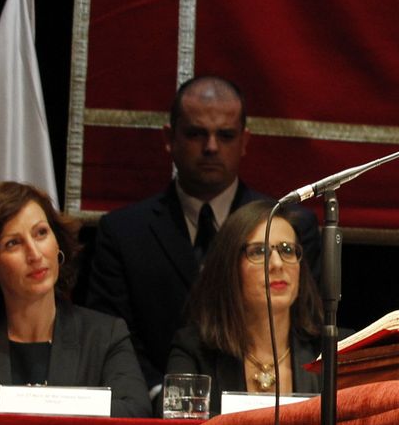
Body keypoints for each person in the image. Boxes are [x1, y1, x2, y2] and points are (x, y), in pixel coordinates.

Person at [83, 75, 320, 389]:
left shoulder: (289, 224)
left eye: (225, 135)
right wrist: (164, 397)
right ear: (170, 137)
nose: (211, 147)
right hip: (152, 407)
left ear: (245, 141)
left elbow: (309, 323)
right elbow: (110, 336)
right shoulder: (124, 232)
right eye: (196, 134)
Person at [0, 182, 149, 417]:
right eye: (13, 243)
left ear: (57, 243)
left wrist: (28, 404)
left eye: (41, 233)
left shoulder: (104, 335)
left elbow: (136, 411)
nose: (34, 254)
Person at [165, 202, 322, 415]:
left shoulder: (331, 352)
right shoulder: (194, 351)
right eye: (259, 252)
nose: (277, 263)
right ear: (229, 268)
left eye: (287, 250)